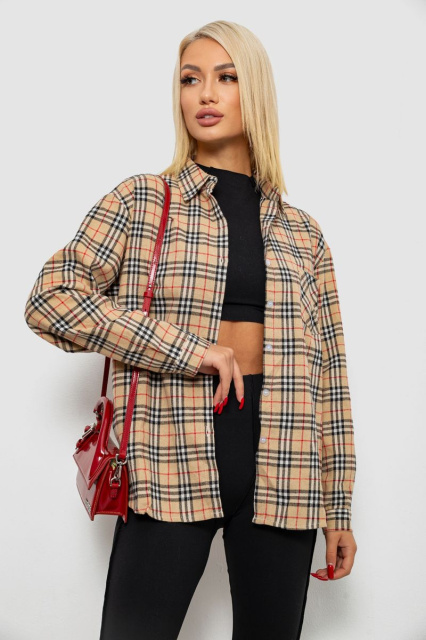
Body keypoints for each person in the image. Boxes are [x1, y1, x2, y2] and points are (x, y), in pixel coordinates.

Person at [24, 19, 357, 640]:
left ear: (254, 90)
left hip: (284, 464)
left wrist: (337, 506)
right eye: (190, 79)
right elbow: (50, 301)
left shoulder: (303, 233)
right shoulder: (143, 201)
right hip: (168, 453)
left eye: (226, 78)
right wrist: (188, 351)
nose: (205, 93)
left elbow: (330, 378)